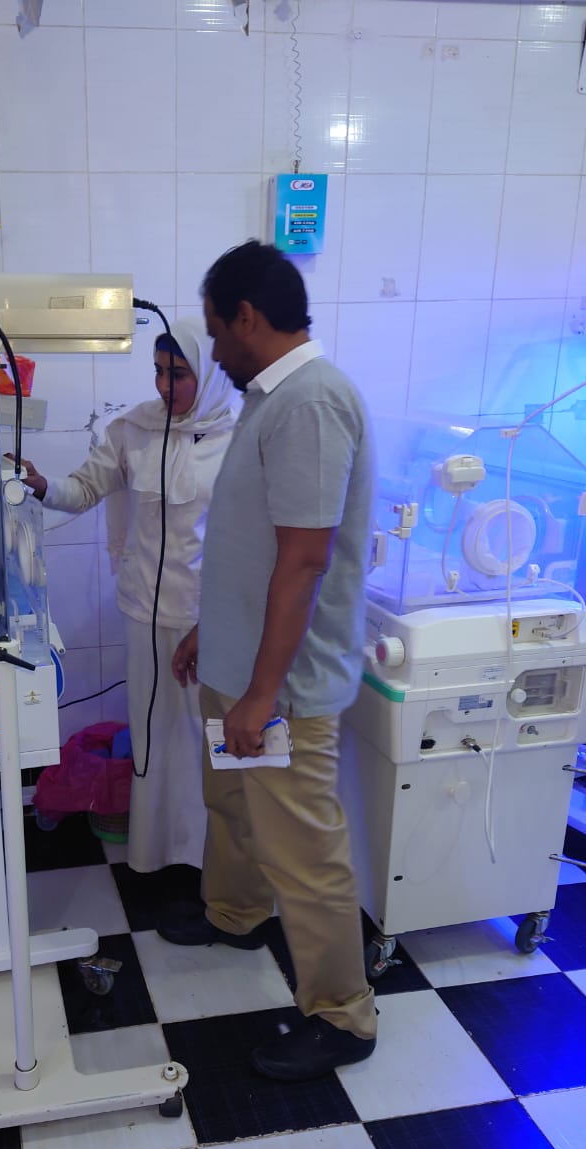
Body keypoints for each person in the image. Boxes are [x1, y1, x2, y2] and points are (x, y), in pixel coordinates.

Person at [164, 240, 378, 1082]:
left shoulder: (311, 403)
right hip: (236, 666)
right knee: (232, 803)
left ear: (247, 317)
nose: (212, 350)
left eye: (216, 330)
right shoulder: (269, 398)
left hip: (280, 687)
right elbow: (250, 546)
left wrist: (261, 694)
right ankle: (237, 913)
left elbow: (303, 561)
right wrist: (207, 633)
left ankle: (342, 1013)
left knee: (303, 848)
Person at [17, 316, 239, 875]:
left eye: (178, 374)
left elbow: (249, 548)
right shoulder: (134, 429)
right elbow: (84, 488)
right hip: (144, 611)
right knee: (152, 731)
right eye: (159, 372)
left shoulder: (238, 441)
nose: (164, 386)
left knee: (202, 735)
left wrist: (215, 620)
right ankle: (155, 852)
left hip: (207, 619)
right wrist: (42, 486)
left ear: (208, 375)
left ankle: (208, 859)